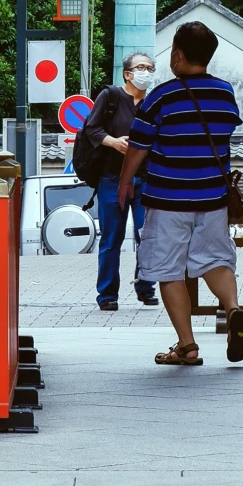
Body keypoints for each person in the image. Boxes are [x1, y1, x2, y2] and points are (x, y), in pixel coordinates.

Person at [119, 19, 243, 368]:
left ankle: (188, 346)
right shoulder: (225, 93)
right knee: (215, 260)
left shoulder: (162, 96)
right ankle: (234, 310)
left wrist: (124, 182)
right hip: (212, 198)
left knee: (169, 270)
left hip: (168, 198)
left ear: (177, 55)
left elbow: (138, 147)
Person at [82, 51, 158, 311]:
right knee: (111, 238)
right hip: (112, 178)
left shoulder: (153, 104)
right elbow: (90, 128)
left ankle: (146, 286)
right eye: (140, 67)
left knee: (146, 236)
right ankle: (107, 294)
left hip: (145, 178)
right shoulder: (111, 96)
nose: (145, 72)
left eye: (150, 68)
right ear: (127, 73)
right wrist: (114, 142)